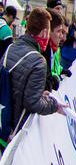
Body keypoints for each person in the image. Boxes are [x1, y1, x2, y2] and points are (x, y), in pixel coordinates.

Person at [2, 8, 64, 145]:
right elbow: (33, 103)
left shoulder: (11, 48)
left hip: (3, 120)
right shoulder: (38, 61)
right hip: (15, 131)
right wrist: (54, 105)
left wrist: (39, 93)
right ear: (44, 32)